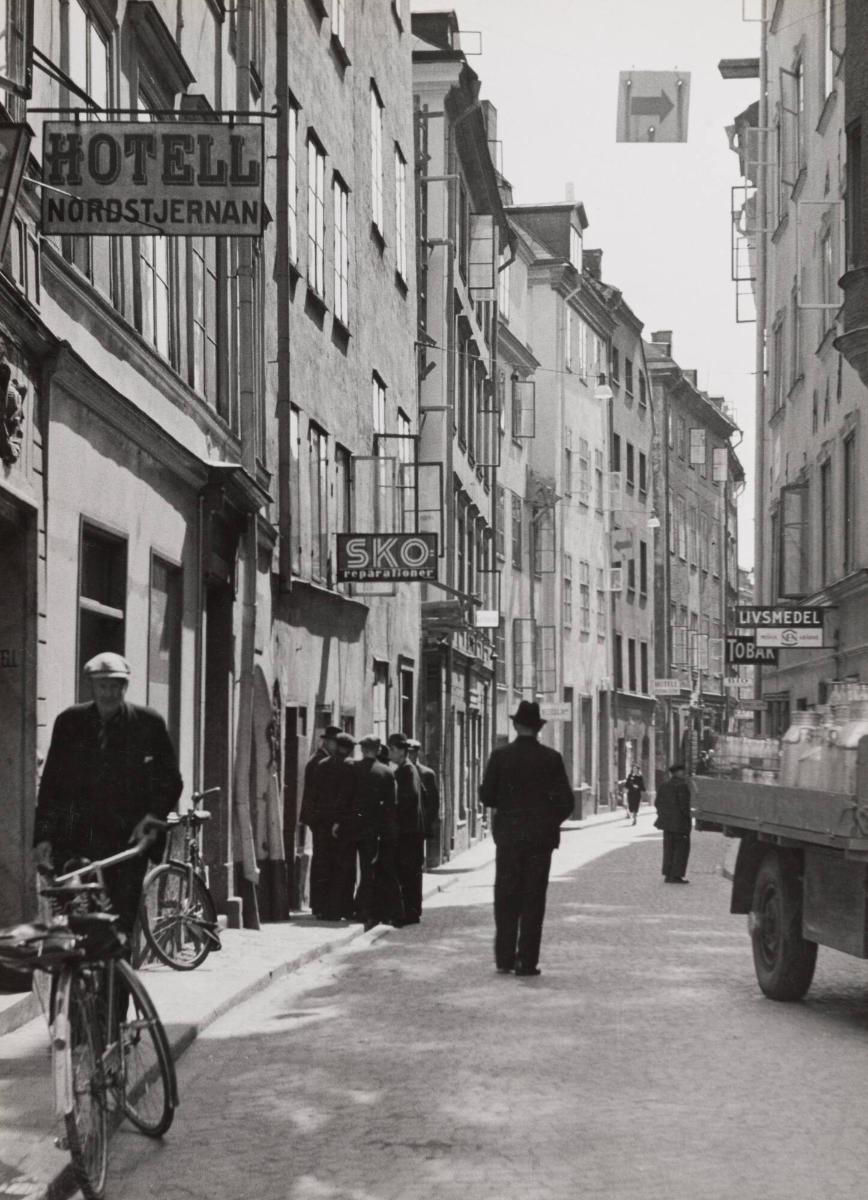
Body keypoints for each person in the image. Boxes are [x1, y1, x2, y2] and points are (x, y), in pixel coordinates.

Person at [32, 652, 183, 935]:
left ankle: (118, 963)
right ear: (91, 685)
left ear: (125, 687)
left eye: (116, 686)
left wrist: (152, 818)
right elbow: (52, 783)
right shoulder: (69, 722)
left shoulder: (148, 723)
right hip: (75, 840)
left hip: (125, 843)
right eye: (102, 685)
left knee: (118, 925)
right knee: (73, 924)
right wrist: (43, 835)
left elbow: (171, 780)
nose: (109, 693)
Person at [480, 700, 574, 977]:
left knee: (506, 896)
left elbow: (487, 797)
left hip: (509, 838)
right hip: (539, 841)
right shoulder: (551, 758)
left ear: (515, 725)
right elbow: (567, 802)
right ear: (538, 728)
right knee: (533, 899)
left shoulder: (500, 757)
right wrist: (547, 823)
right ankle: (527, 962)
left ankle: (505, 959)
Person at [351, 735, 403, 930]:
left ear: (363, 749)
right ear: (379, 749)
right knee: (370, 870)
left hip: (354, 827)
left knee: (353, 868)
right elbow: (391, 806)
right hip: (376, 829)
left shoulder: (353, 769)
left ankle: (357, 907)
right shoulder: (387, 772)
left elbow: (347, 798)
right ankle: (368, 910)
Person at [304, 730, 357, 919]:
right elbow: (348, 797)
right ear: (348, 749)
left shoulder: (321, 764)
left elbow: (314, 795)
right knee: (342, 866)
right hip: (341, 824)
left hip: (321, 823)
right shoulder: (351, 767)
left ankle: (321, 906)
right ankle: (341, 907)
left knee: (323, 864)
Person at [387, 732, 426, 925]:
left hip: (408, 832)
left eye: (391, 750)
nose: (390, 754)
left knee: (408, 872)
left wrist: (393, 809)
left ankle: (410, 912)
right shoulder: (408, 769)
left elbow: (408, 799)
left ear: (399, 751)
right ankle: (412, 911)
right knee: (410, 872)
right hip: (411, 830)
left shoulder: (407, 771)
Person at [654, 762, 692, 884]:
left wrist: (663, 815)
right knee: (681, 849)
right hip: (680, 823)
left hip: (667, 824)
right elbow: (684, 806)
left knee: (668, 849)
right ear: (678, 773)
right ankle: (676, 875)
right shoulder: (682, 786)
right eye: (683, 771)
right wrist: (689, 816)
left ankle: (668, 874)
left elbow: (657, 803)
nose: (684, 773)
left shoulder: (663, 786)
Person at [407, 739, 441, 861]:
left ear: (417, 753)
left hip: (420, 824)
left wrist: (426, 822)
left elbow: (434, 802)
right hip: (405, 824)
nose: (410, 756)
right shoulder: (400, 771)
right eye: (408, 753)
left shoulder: (427, 773)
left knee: (418, 857)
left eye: (412, 753)